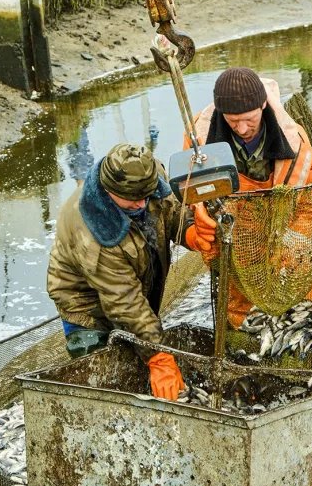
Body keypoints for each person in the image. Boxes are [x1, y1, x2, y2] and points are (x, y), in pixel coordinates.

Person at [47, 143, 218, 401]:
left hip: (134, 282)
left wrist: (191, 232)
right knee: (104, 385)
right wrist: (158, 357)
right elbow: (124, 301)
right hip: (87, 306)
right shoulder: (92, 231)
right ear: (109, 191)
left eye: (145, 196)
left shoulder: (148, 179)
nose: (141, 203)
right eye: (132, 200)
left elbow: (171, 210)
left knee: (143, 354)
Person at [186, 67, 312, 328]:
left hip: (282, 240)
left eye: (249, 119)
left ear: (262, 105)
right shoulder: (199, 138)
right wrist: (197, 219)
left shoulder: (294, 140)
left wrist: (293, 242)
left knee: (301, 316)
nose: (242, 128)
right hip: (234, 245)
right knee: (239, 317)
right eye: (232, 120)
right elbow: (190, 194)